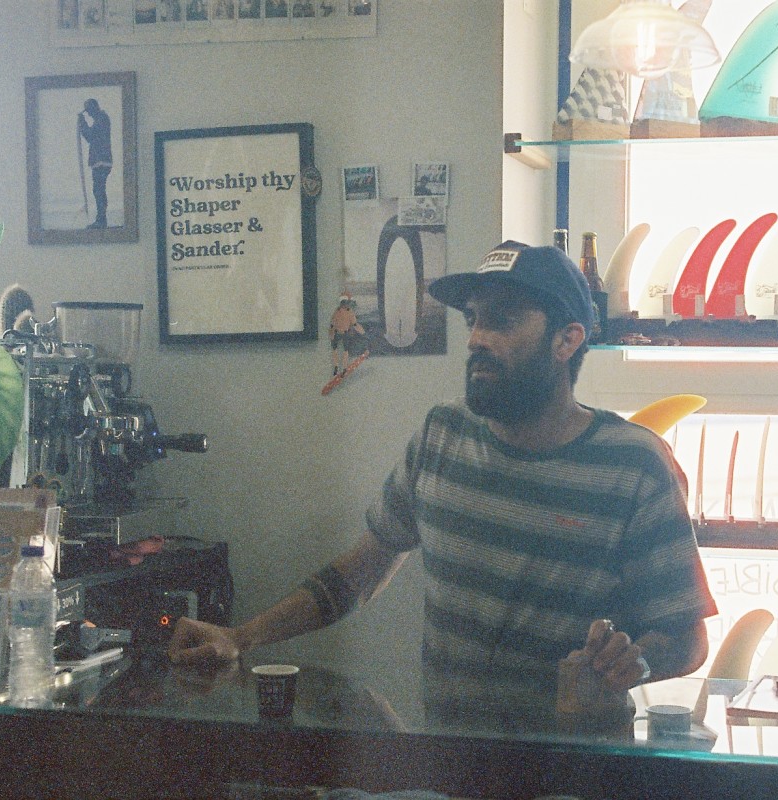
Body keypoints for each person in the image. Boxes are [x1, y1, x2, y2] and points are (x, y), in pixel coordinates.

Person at [169, 240, 716, 722]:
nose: (476, 338)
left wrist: (634, 661)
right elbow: (360, 572)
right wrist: (240, 638)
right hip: (452, 759)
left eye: (501, 321)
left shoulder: (635, 464)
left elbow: (689, 639)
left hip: (576, 769)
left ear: (566, 340)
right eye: (472, 320)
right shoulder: (442, 434)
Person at [78, 98, 112, 230]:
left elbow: (90, 136)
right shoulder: (101, 119)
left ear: (94, 108)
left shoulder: (102, 119)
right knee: (99, 190)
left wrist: (82, 123)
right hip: (101, 161)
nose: (89, 114)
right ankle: (101, 219)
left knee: (98, 191)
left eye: (89, 110)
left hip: (101, 161)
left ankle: (101, 220)